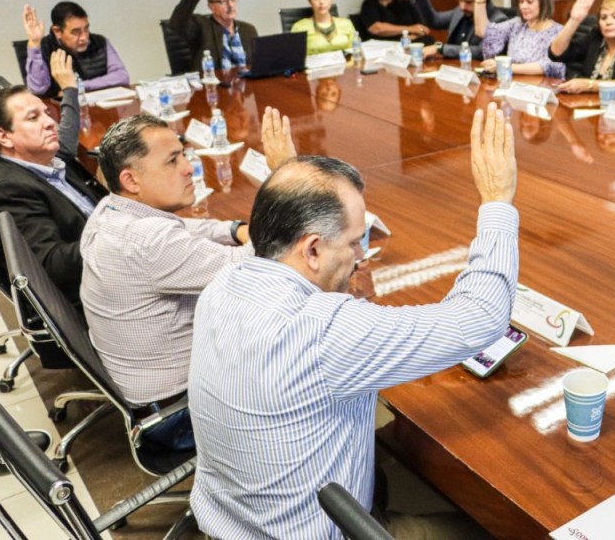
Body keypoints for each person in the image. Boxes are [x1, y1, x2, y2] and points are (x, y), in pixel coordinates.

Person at [187, 103, 518, 539]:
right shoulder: (322, 332)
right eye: (353, 242)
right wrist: (497, 201)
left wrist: (292, 174)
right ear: (312, 249)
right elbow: (481, 316)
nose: (361, 255)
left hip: (229, 520)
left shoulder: (223, 283)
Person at [80, 108, 295, 449]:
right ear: (131, 181)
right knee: (308, 359)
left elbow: (185, 228)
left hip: (156, 392)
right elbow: (260, 263)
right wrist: (286, 175)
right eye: (172, 161)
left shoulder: (110, 210)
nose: (188, 168)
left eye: (183, 154)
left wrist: (233, 229)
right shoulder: (148, 241)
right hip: (179, 414)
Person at [0, 52, 106, 310]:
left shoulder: (46, 159)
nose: (51, 123)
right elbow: (51, 263)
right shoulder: (9, 189)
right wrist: (120, 240)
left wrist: (69, 90)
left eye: (47, 113)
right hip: (95, 297)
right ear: (4, 137)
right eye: (33, 118)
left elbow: (66, 139)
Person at [475, 0, 565, 78]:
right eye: (521, 1)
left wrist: (505, 66)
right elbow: (483, 31)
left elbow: (548, 66)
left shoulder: (558, 31)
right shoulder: (517, 24)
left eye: (529, 2)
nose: (523, 6)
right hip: (513, 84)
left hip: (541, 87)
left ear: (543, 2)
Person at [22, 2, 129, 98]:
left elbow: (122, 77)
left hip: (100, 107)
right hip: (59, 109)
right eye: (76, 32)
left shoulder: (99, 42)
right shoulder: (44, 48)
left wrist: (77, 87)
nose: (84, 37)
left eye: (86, 29)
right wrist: (34, 44)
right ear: (57, 31)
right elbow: (38, 89)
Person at [170, 0, 259, 72]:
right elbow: (177, 23)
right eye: (223, 1)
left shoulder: (248, 29)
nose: (230, 5)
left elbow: (257, 64)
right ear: (211, 7)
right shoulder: (201, 26)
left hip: (246, 81)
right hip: (214, 82)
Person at [412, 0, 507, 60]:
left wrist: (441, 49)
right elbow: (434, 21)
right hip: (453, 66)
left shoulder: (498, 20)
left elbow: (481, 51)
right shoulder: (460, 11)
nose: (462, 7)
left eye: (468, 2)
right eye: (460, 0)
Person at [291, 0, 356, 55]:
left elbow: (356, 52)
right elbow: (295, 57)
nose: (321, 1)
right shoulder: (299, 27)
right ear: (309, 1)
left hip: (345, 62)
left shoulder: (346, 23)